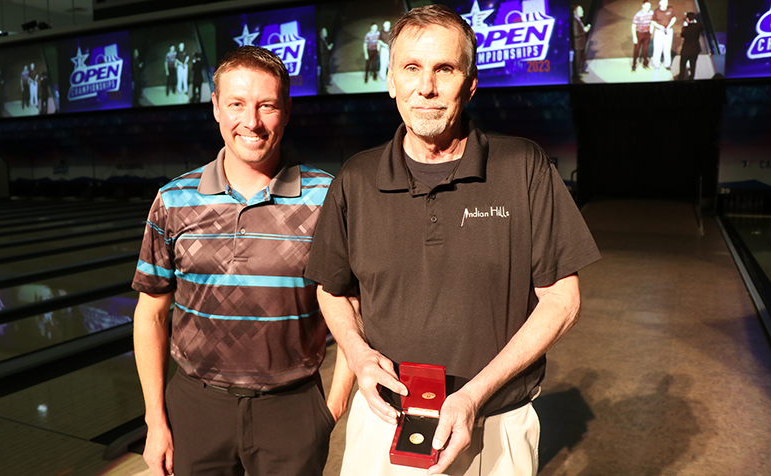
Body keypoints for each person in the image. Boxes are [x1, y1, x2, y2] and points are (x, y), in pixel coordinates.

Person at [305, 4, 600, 476]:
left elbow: (562, 301)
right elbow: (333, 289)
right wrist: (359, 357)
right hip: (384, 421)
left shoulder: (523, 168)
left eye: (444, 69)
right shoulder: (356, 179)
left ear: (471, 83)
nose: (426, 86)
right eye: (411, 68)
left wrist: (473, 395)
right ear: (390, 81)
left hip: (496, 422)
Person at [133, 45, 354, 476]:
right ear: (216, 107)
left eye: (266, 105)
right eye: (236, 104)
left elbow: (351, 303)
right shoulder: (173, 199)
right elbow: (151, 313)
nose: (251, 121)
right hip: (195, 406)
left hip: (292, 409)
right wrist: (155, 419)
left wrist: (332, 407)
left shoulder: (328, 197)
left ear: (286, 111)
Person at [651, 0, 676, 71]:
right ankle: (656, 65)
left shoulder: (670, 9)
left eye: (666, 2)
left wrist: (668, 27)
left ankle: (667, 64)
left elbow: (674, 18)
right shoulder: (657, 11)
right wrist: (659, 26)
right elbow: (653, 21)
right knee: (657, 48)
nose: (665, 4)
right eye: (664, 2)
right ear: (660, 3)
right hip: (659, 32)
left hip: (668, 31)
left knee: (667, 48)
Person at [679, 12, 702, 80]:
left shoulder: (685, 29)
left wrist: (685, 26)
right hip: (695, 49)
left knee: (682, 65)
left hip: (686, 50)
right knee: (693, 64)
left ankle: (681, 78)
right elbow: (702, 27)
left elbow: (682, 35)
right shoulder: (698, 26)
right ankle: (691, 78)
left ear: (688, 19)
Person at [631, 1, 654, 71]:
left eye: (649, 6)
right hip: (639, 34)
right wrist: (634, 37)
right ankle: (634, 66)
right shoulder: (638, 14)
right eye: (647, 6)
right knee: (636, 50)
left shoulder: (651, 13)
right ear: (643, 6)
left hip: (647, 34)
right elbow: (633, 26)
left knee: (645, 50)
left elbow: (652, 22)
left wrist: (651, 31)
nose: (648, 7)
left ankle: (645, 64)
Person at [572, 5, 591, 80]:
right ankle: (576, 74)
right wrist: (585, 31)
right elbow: (576, 33)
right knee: (578, 59)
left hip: (581, 44)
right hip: (578, 44)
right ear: (576, 12)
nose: (583, 12)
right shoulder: (575, 21)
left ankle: (581, 70)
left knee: (582, 58)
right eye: (581, 10)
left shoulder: (578, 20)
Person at [318, 27, 334, 93]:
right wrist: (328, 48)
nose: (326, 33)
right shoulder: (321, 41)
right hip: (323, 61)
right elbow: (322, 51)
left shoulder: (324, 40)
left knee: (327, 72)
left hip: (326, 60)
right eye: (325, 32)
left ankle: (327, 83)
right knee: (324, 73)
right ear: (321, 33)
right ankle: (324, 86)